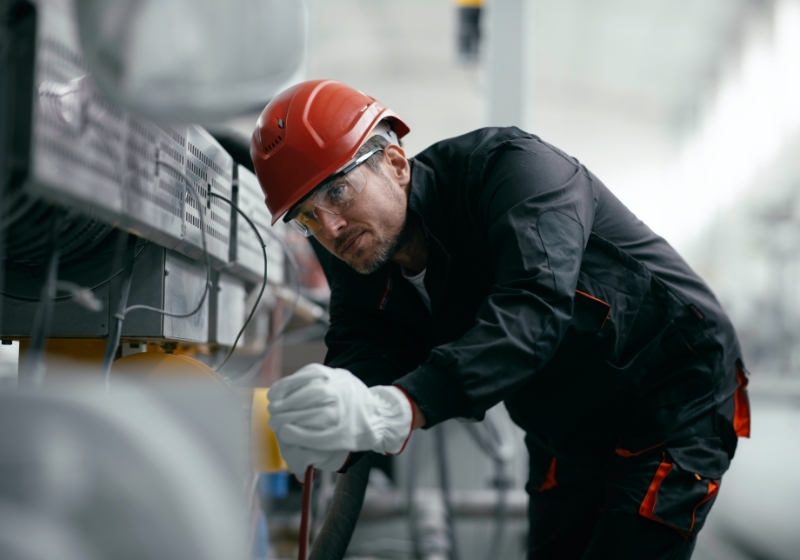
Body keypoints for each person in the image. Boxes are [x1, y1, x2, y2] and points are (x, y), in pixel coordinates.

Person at [252, 79, 751, 559]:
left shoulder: (514, 172)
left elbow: (533, 307)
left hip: (673, 390)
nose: (331, 228)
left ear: (396, 163)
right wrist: (334, 428)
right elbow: (363, 350)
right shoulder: (360, 258)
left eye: (337, 193)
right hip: (565, 421)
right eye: (308, 218)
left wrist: (398, 408)